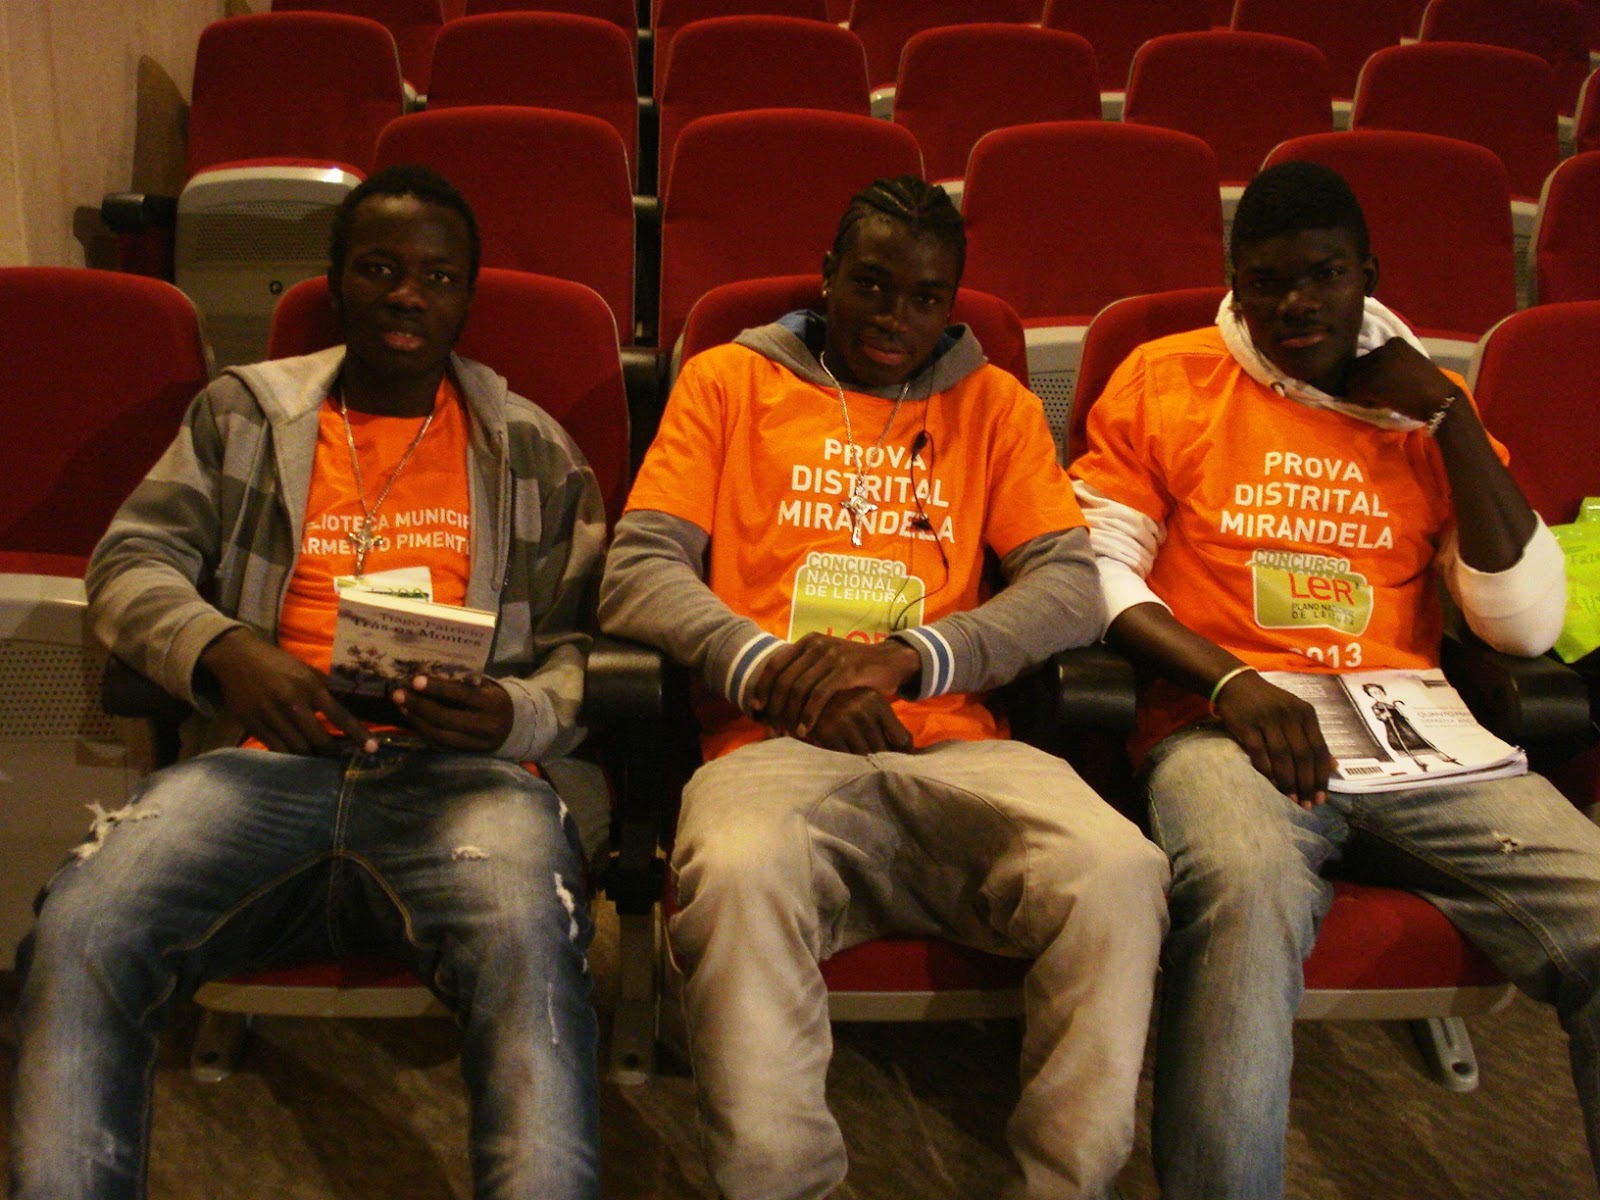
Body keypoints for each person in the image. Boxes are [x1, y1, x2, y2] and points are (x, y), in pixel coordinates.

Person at [9, 165, 606, 1200]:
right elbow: (130, 562)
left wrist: (512, 712)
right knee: (83, 926)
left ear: (467, 297)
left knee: (532, 952)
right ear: (334, 282)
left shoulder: (532, 449)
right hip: (264, 761)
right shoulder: (246, 415)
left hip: (463, 779)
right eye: (379, 269)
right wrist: (222, 649)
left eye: (437, 277)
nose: (407, 295)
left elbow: (584, 642)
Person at [599, 175, 1169, 1200]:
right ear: (827, 277)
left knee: (1120, 871)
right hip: (769, 747)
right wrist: (773, 670)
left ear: (950, 302)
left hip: (957, 744)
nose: (893, 318)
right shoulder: (729, 381)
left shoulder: (994, 404)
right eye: (870, 285)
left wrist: (913, 656)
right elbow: (638, 571)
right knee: (736, 870)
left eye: (924, 297)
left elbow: (1071, 590)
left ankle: (1062, 1185)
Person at [1070, 159, 1600, 1198]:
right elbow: (1092, 571)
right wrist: (1229, 682)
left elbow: (1524, 622)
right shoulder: (1167, 378)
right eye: (1266, 282)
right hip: (1226, 727)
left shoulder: (1421, 406)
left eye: (1322, 276)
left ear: (1367, 276)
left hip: (1415, 739)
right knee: (1246, 887)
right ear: (1235, 282)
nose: (1296, 305)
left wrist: (1447, 417)